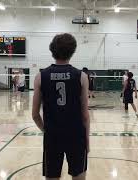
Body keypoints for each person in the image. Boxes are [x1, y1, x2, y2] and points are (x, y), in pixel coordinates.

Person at [32, 33, 90, 180]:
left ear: (52, 50)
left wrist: (47, 130)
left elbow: (35, 115)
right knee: (79, 176)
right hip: (76, 135)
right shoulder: (82, 76)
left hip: (53, 135)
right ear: (73, 51)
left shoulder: (40, 76)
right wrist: (87, 141)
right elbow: (85, 115)